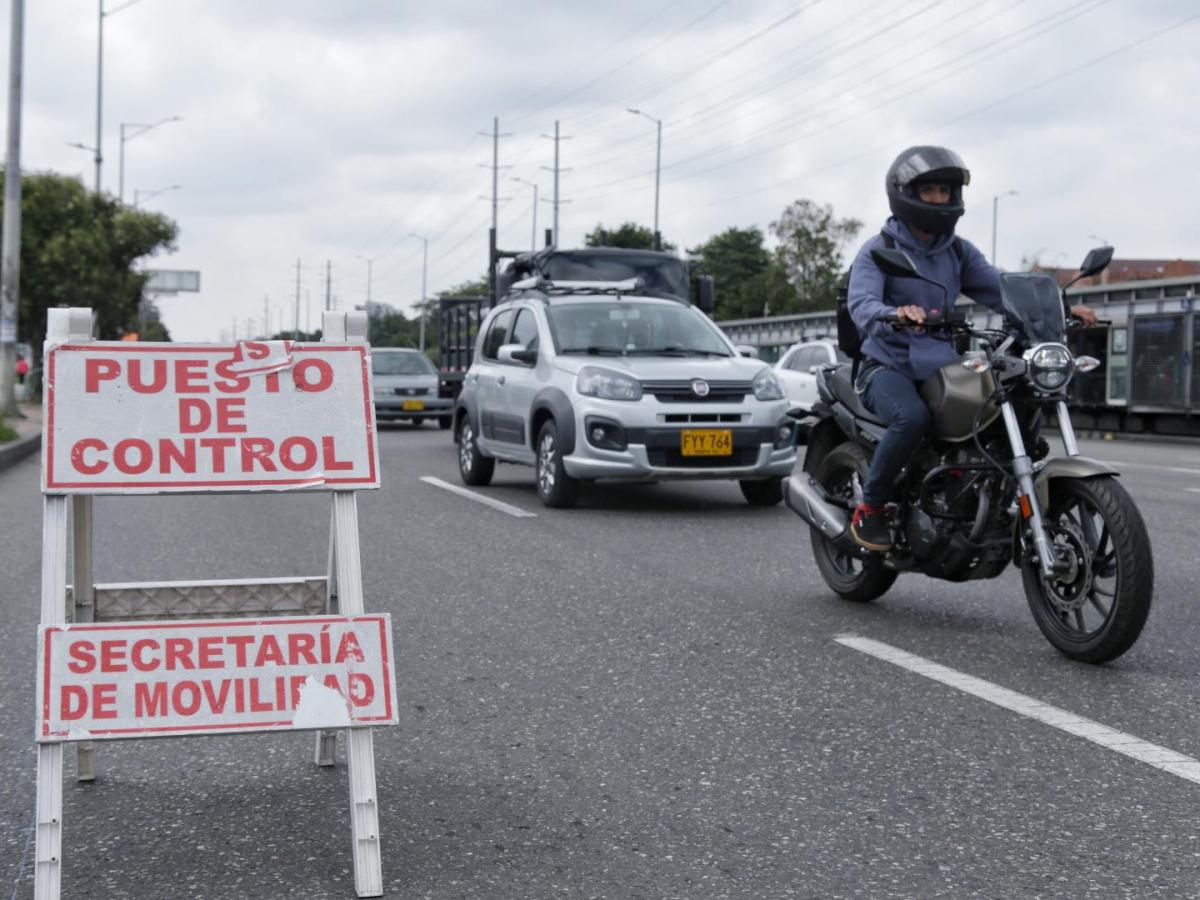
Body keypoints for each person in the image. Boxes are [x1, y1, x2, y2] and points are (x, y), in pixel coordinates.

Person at [845, 145, 1096, 552]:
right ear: (905, 192)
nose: (940, 199)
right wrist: (894, 313)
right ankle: (870, 508)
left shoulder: (957, 251)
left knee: (999, 406)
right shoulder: (878, 250)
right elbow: (862, 303)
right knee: (911, 418)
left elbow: (1002, 289)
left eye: (946, 191)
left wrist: (1060, 307)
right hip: (886, 364)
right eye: (930, 190)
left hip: (943, 364)